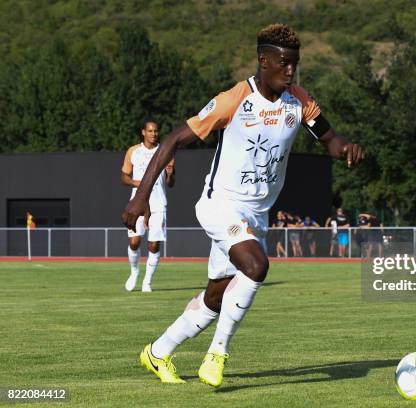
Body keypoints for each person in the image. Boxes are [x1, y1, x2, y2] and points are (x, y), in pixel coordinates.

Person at [121, 24, 365, 386]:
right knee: (256, 265)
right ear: (263, 61)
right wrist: (141, 197)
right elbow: (174, 139)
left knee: (217, 297)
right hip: (219, 205)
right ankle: (217, 356)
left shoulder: (299, 101)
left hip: (255, 215)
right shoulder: (235, 99)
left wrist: (346, 149)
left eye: (294, 64)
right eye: (283, 63)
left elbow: (329, 138)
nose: (290, 71)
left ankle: (157, 353)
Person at [121, 119, 175, 292]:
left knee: (153, 245)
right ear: (143, 132)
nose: (154, 134)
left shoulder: (165, 151)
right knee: (135, 242)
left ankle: (147, 282)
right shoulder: (133, 151)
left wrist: (170, 173)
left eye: (156, 131)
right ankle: (134, 271)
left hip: (159, 203)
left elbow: (171, 183)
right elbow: (124, 177)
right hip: (137, 203)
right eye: (150, 131)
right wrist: (140, 184)